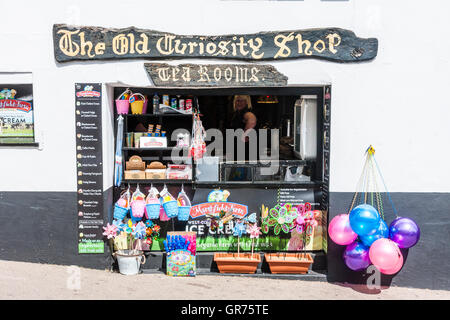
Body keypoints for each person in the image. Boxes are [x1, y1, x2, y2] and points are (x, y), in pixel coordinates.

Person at [228, 95, 258, 180]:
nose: (239, 103)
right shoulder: (237, 114)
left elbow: (252, 121)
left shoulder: (246, 113)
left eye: (242, 101)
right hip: (239, 153)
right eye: (237, 101)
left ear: (247, 102)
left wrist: (244, 136)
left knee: (240, 181)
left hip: (244, 154)